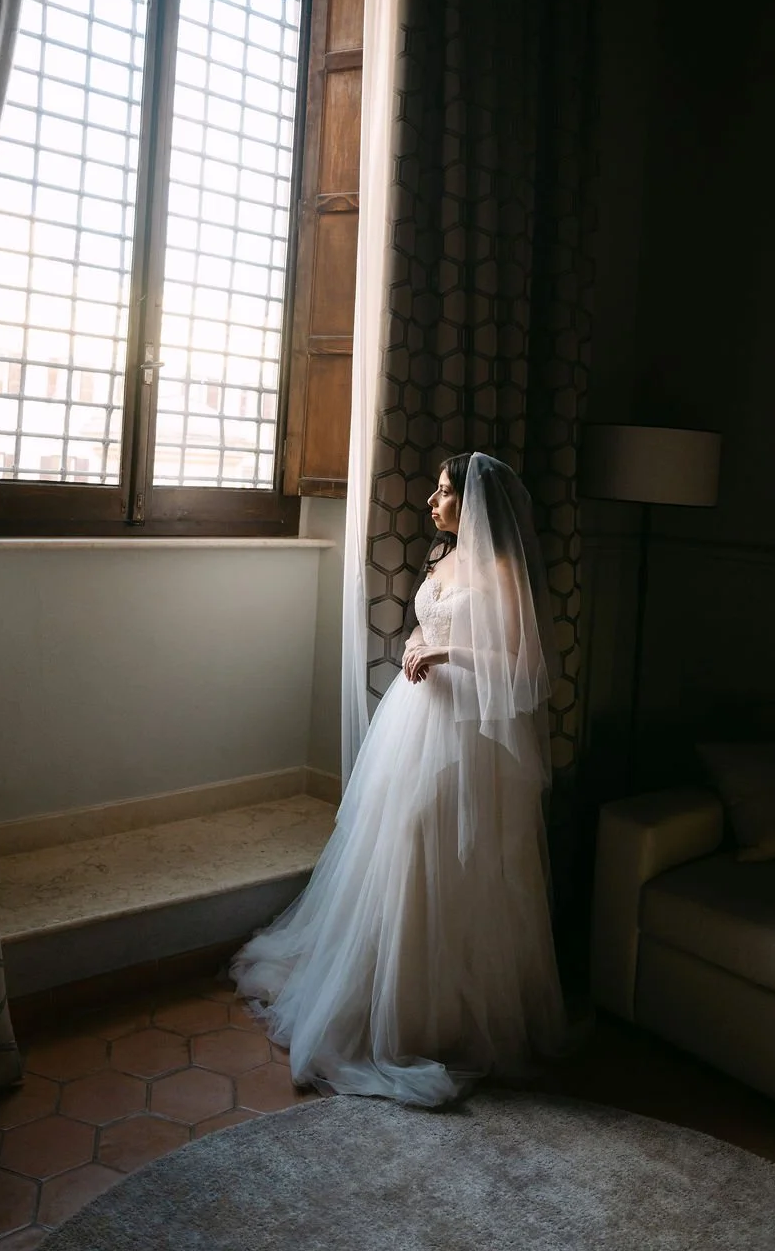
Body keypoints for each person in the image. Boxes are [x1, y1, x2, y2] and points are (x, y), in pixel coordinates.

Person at [230, 452, 568, 1106]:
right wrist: (418, 640)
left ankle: (432, 1016)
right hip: (417, 721)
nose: (431, 502)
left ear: (473, 503)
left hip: (467, 739)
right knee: (396, 847)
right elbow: (436, 619)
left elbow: (527, 671)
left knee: (444, 853)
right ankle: (381, 993)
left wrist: (442, 650)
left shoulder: (503, 570)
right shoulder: (444, 561)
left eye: (443, 493)